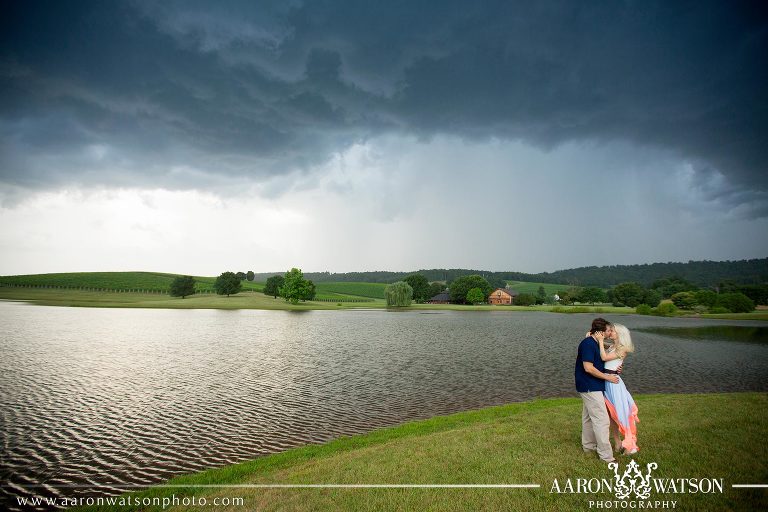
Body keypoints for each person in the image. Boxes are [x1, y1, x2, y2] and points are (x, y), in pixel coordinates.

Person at [575, 318, 620, 463]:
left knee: (588, 417)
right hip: (589, 385)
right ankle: (606, 456)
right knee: (602, 419)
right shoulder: (588, 344)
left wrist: (615, 369)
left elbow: (605, 359)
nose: (609, 333)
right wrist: (607, 377)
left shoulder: (595, 342)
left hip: (594, 385)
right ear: (600, 331)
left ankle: (588, 447)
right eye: (608, 330)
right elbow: (588, 368)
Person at [595, 323, 640, 455]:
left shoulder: (623, 348)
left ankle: (629, 445)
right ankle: (617, 443)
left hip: (613, 383)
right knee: (610, 414)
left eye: (613, 331)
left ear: (620, 334)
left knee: (620, 414)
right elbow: (603, 348)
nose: (610, 333)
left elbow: (604, 357)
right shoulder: (613, 346)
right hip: (606, 381)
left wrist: (601, 340)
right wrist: (595, 338)